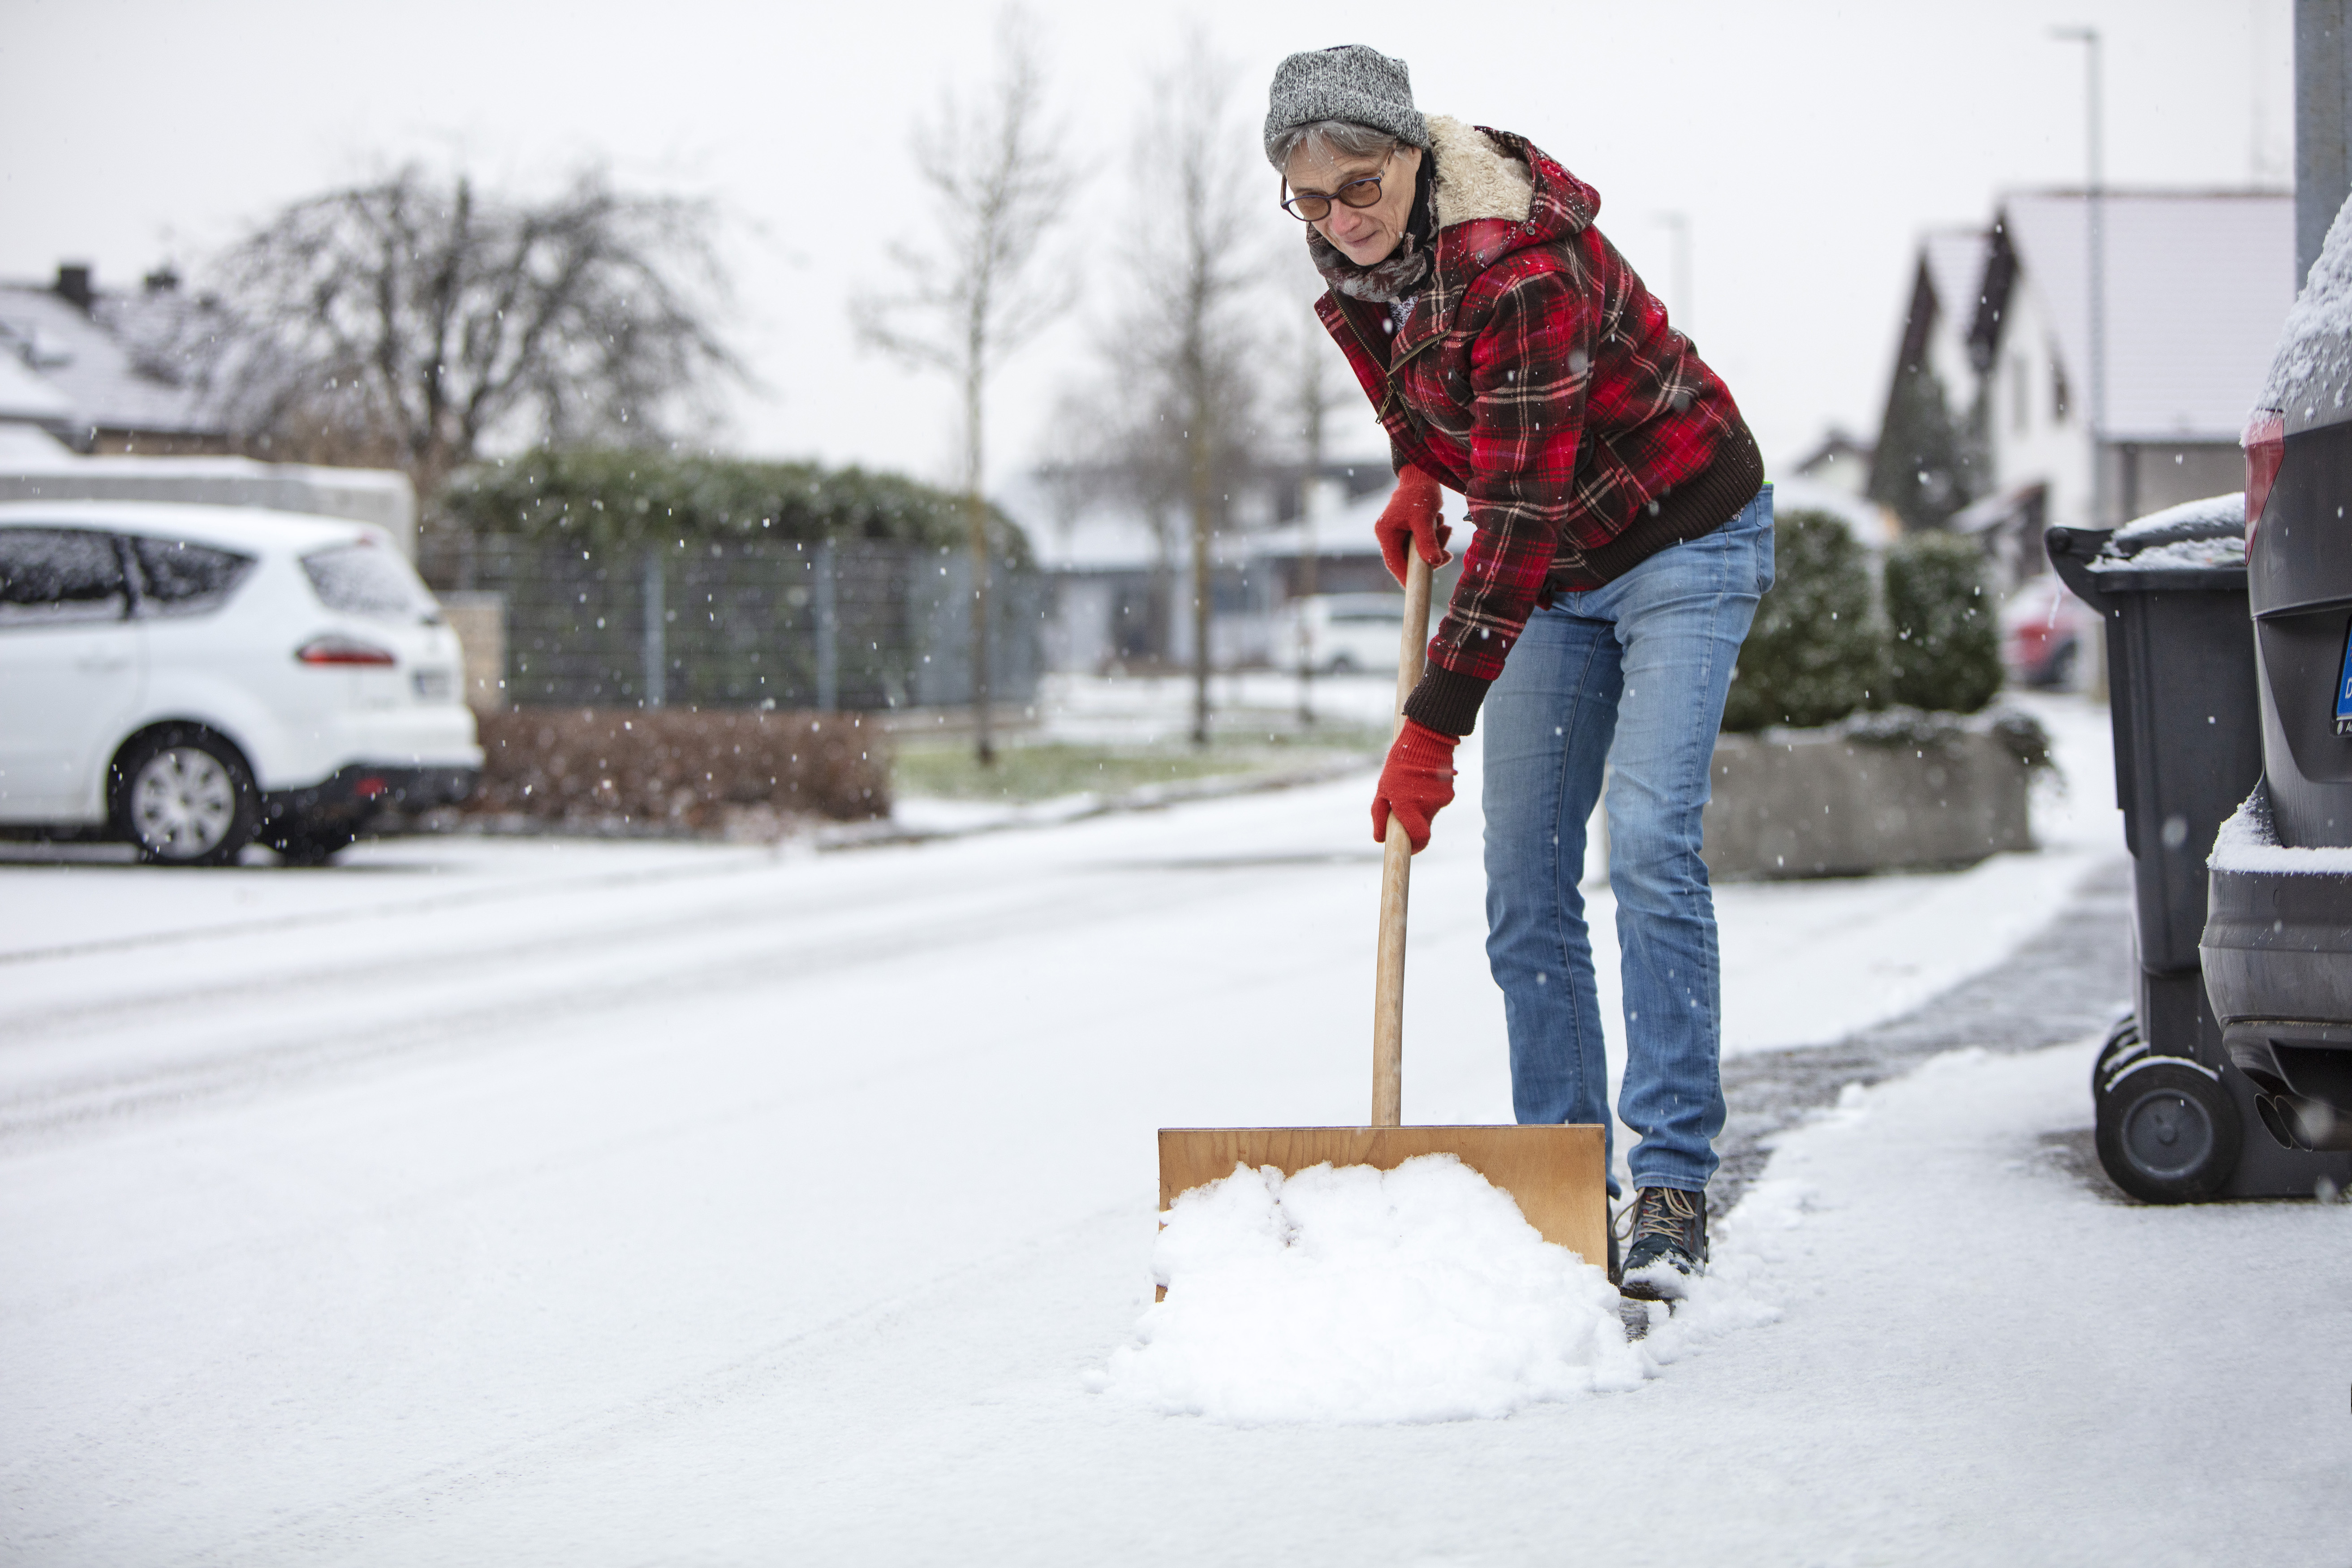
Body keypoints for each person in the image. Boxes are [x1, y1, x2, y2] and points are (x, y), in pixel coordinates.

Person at [1264, 46, 1774, 1301]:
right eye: (1311, 198)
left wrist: (1431, 724)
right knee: (1522, 878)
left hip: (1678, 531)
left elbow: (1526, 522)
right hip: (1552, 549)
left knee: (1649, 839)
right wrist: (1417, 466)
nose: (1341, 215)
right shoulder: (1354, 263)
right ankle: (1562, 1169)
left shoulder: (1514, 264)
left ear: (1413, 154)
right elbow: (1409, 384)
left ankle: (1667, 1181)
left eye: (1361, 182)